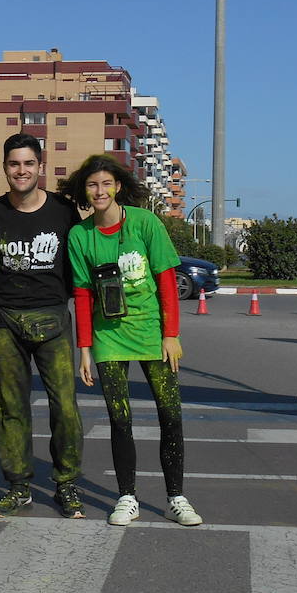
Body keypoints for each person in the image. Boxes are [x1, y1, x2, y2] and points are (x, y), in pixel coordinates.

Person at [59, 154, 201, 527]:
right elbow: (83, 294)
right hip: (108, 338)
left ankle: (176, 497)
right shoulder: (80, 236)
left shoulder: (145, 223)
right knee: (119, 420)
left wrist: (171, 335)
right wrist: (85, 349)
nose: (100, 191)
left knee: (170, 415)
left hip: (152, 333)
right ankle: (127, 497)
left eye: (106, 183)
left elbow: (168, 281)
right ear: (84, 191)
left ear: (118, 186)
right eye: (92, 185)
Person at [0, 133, 85, 520]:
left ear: (40, 167)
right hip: (4, 320)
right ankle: (18, 485)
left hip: (54, 318)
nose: (20, 171)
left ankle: (66, 483)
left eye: (28, 164)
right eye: (13, 164)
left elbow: (80, 264)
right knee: (10, 406)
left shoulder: (64, 211)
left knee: (65, 407)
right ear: (4, 167)